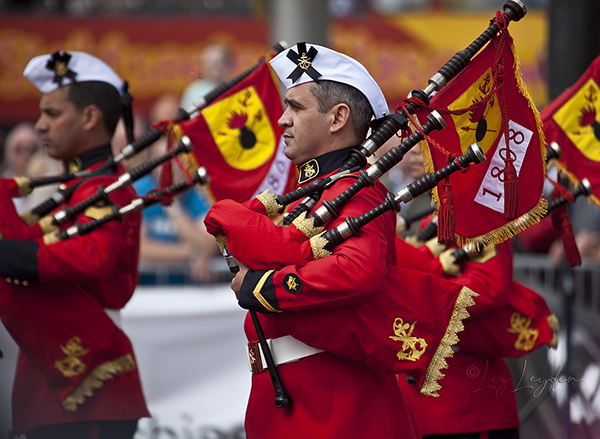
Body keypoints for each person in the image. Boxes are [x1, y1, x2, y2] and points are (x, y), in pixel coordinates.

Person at [223, 43, 420, 438]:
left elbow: (358, 271)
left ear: (337, 118)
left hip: (339, 411)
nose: (281, 120)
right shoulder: (312, 191)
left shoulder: (356, 192)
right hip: (295, 402)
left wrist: (263, 287)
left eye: (296, 108)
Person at [0, 51, 149, 438]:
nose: (39, 126)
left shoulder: (100, 187)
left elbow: (93, 257)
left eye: (52, 114)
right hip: (62, 367)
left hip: (85, 377)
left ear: (89, 118)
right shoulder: (76, 187)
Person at [132, 93, 219, 284]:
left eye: (175, 162)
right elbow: (138, 248)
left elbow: (209, 245)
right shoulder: (138, 190)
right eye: (163, 164)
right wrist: (189, 252)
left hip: (190, 294)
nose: (169, 171)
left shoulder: (202, 192)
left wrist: (174, 206)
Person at [1, 122, 42, 213]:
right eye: (19, 149)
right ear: (9, 153)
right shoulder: (2, 186)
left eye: (32, 149)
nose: (25, 155)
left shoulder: (50, 186)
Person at [179, 43, 233, 111]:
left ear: (226, 64)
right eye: (210, 62)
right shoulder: (194, 90)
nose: (214, 66)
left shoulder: (233, 88)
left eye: (218, 62)